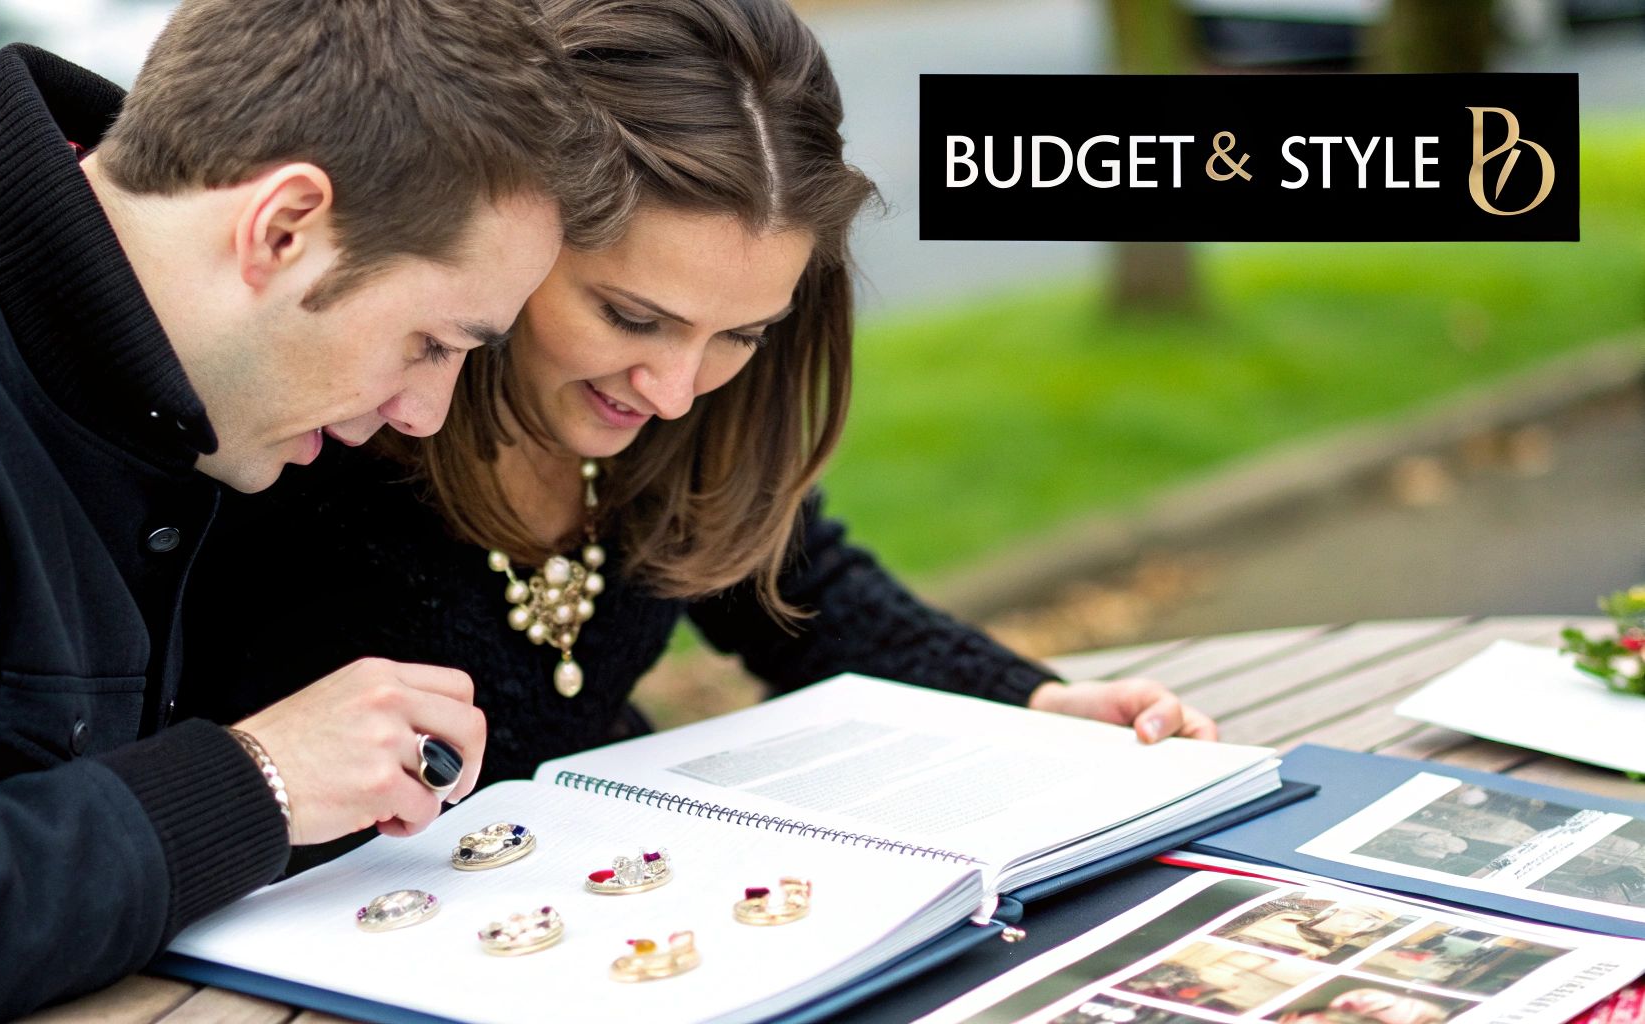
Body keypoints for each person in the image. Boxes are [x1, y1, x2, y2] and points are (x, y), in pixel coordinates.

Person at [184, 0, 1216, 814]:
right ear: (515, 237)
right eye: (631, 317)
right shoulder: (309, 431)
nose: (675, 391)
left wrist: (1029, 701)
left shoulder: (681, 420)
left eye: (741, 334)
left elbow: (799, 590)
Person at [0, 0, 585, 1017]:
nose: (423, 413)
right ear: (281, 228)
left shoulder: (195, 377)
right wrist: (260, 778)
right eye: (431, 343)